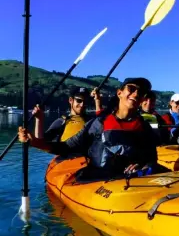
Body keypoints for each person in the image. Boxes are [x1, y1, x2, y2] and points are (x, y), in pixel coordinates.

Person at [18, 77, 159, 179]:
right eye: (132, 89)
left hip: (132, 181)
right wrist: (34, 142)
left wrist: (144, 166)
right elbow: (66, 147)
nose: (135, 94)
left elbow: (151, 158)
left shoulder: (144, 128)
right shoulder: (98, 123)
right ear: (119, 93)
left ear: (142, 100)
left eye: (140, 93)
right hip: (100, 180)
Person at [32, 87, 101, 143]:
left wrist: (97, 100)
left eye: (85, 101)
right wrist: (39, 120)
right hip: (68, 158)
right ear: (71, 100)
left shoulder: (92, 121)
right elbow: (40, 141)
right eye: (79, 101)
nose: (82, 105)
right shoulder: (61, 122)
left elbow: (101, 121)